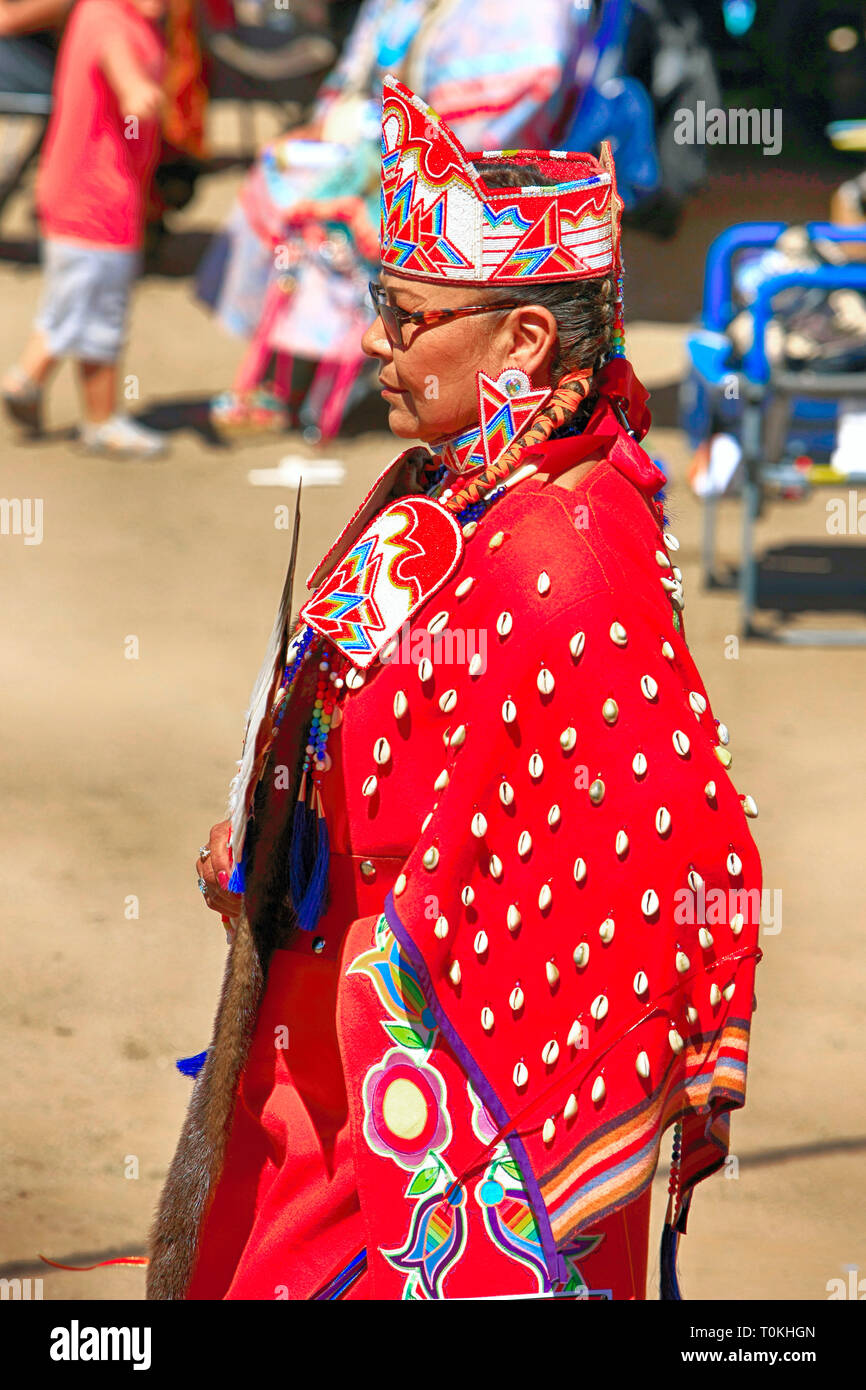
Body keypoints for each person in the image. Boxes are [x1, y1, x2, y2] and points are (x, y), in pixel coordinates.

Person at [147, 77, 763, 1301]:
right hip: (327, 1065)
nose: (377, 341)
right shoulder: (447, 492)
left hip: (449, 1097)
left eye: (408, 314)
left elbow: (667, 853)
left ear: (522, 341)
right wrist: (276, 826)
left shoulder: (566, 554)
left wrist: (389, 955)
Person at [199, 0, 584, 440]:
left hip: (474, 170)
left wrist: (410, 149)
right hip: (385, 144)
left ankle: (333, 380)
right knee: (287, 187)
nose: (374, 340)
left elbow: (522, 91)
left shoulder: (532, 13)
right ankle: (292, 372)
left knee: (359, 230)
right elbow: (359, 74)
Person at [2, 0, 169, 456]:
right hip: (92, 196)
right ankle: (97, 418)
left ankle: (29, 381)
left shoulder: (133, 19)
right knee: (99, 312)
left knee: (77, 302)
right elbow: (120, 65)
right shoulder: (106, 16)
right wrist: (137, 93)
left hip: (100, 193)